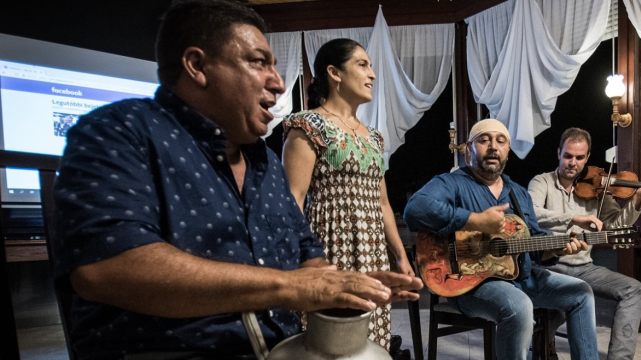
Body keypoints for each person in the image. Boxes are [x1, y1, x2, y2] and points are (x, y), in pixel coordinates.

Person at [51, 1, 421, 359]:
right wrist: (290, 286)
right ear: (197, 65)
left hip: (281, 348)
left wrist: (346, 286)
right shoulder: (122, 131)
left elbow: (308, 255)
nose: (277, 84)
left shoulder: (263, 162)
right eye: (259, 62)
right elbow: (105, 268)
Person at [404, 118, 599, 360]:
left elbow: (534, 242)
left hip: (522, 277)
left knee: (581, 292)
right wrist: (473, 220)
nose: (493, 146)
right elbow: (415, 210)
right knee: (519, 307)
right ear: (469, 151)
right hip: (470, 282)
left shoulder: (518, 193)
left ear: (507, 151)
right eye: (484, 140)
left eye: (501, 140)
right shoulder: (451, 183)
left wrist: (559, 248)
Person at [281, 38, 414, 350]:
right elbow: (293, 199)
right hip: (328, 247)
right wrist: (297, 260)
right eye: (362, 64)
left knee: (368, 344)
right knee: (329, 341)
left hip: (371, 252)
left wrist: (401, 257)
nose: (372, 75)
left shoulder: (374, 138)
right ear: (334, 73)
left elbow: (382, 202)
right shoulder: (308, 125)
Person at [527, 127, 641, 360]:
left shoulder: (598, 190)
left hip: (584, 267)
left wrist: (639, 198)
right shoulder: (542, 182)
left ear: (587, 158)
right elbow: (532, 214)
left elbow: (615, 227)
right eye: (568, 156)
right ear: (558, 153)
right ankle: (542, 346)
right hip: (550, 266)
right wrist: (573, 218)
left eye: (579, 158)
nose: (573, 162)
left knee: (635, 290)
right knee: (572, 298)